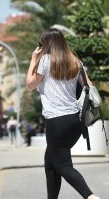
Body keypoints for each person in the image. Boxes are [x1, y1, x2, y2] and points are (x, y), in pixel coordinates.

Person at [26, 28, 100, 199]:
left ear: (45, 45)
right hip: (75, 121)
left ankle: (90, 196)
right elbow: (89, 86)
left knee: (63, 165)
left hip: (56, 121)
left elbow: (30, 84)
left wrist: (33, 59)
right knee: (51, 161)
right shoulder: (75, 61)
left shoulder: (44, 61)